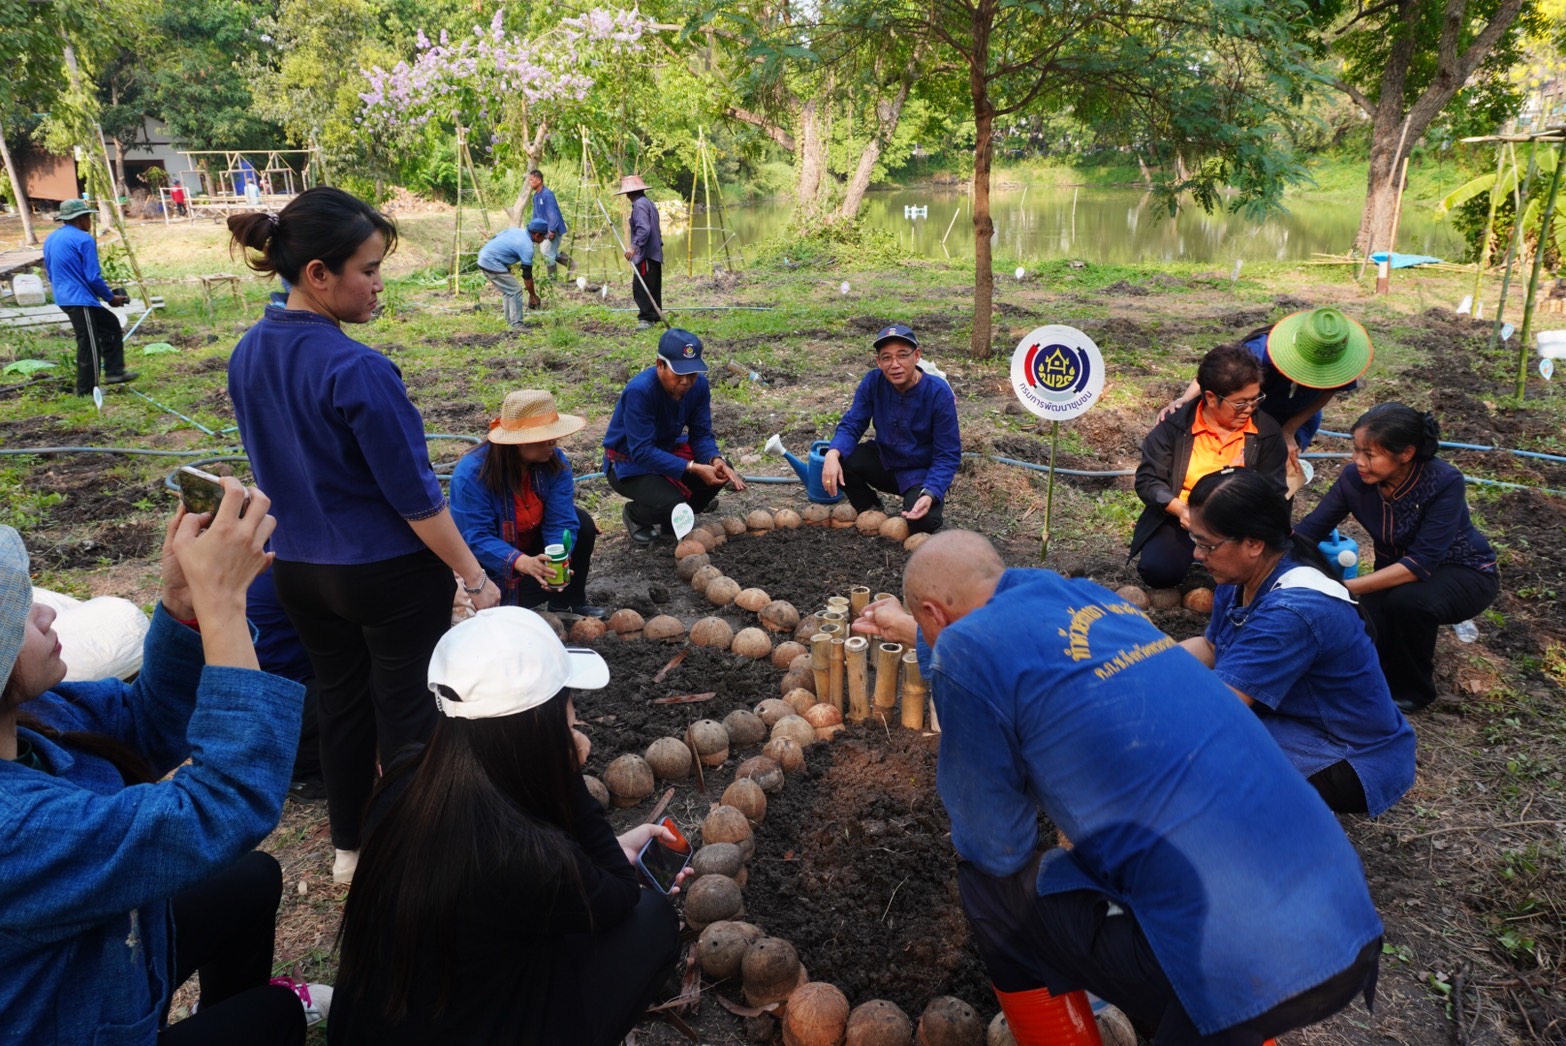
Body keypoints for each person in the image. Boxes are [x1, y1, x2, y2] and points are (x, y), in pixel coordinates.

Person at [852, 532, 1383, 1045]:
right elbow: (997, 638)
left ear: (933, 614)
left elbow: (995, 844)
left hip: (1244, 969)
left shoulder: (966, 649)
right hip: (1344, 928)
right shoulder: (1085, 599)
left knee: (992, 888)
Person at [226, 187, 501, 886]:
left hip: (299, 570)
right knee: (408, 711)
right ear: (319, 273)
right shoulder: (358, 369)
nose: (380, 285)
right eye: (369, 270)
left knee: (342, 704)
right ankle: (416, 853)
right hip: (387, 574)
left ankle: (350, 847)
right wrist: (475, 578)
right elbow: (417, 500)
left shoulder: (248, 352)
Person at [0, 484, 329, 1043]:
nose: (48, 611)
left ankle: (220, 1010)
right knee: (275, 1016)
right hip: (69, 1027)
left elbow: (144, 729)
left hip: (96, 971)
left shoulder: (31, 718)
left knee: (249, 881)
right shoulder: (15, 832)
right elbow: (220, 808)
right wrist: (223, 605)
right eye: (15, 618)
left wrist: (185, 603)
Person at [330, 606, 687, 1045]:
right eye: (567, 704)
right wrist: (566, 773)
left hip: (372, 1025)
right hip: (472, 1028)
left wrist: (609, 845)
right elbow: (620, 893)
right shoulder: (523, 854)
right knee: (651, 921)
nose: (575, 717)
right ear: (538, 721)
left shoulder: (407, 781)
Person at [1176, 468, 1415, 816]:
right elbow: (1212, 647)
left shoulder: (1291, 612)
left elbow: (1219, 708)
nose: (1197, 554)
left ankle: (1274, 834)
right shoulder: (1242, 576)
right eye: (1195, 541)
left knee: (1196, 763)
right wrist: (1146, 665)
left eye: (1207, 544)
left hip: (1349, 753)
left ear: (1253, 543)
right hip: (1292, 720)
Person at [1295, 404, 1499, 712]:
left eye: (1369, 454)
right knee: (1358, 626)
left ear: (1405, 453)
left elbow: (1421, 563)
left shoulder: (1443, 481)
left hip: (1463, 572)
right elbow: (1309, 532)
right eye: (1356, 450)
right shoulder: (1354, 480)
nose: (1358, 461)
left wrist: (1344, 588)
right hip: (1394, 575)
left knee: (1408, 603)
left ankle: (1413, 691)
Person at [1131, 344, 1287, 588]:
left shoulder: (1265, 431)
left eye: (1255, 399)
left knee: (1253, 576)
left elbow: (1274, 489)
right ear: (1211, 398)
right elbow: (1148, 481)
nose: (1249, 409)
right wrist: (1181, 510)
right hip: (1183, 519)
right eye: (1240, 403)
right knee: (1159, 570)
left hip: (1239, 525)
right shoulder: (1175, 427)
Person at [451, 389, 604, 618]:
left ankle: (566, 603)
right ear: (519, 442)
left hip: (531, 550)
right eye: (544, 436)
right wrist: (522, 563)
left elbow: (560, 518)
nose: (553, 442)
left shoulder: (555, 462)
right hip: (489, 571)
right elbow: (476, 537)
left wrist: (555, 560)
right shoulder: (471, 475)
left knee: (581, 523)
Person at [1160, 308, 1373, 464]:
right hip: (1254, 411)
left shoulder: (1342, 359)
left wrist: (1289, 431)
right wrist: (1185, 399)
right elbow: (1217, 374)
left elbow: (1328, 393)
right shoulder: (1260, 351)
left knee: (1280, 466)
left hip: (1300, 415)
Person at [602, 328, 747, 546]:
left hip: (666, 450)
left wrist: (714, 460)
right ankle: (635, 515)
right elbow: (641, 451)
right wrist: (693, 467)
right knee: (671, 503)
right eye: (679, 373)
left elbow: (701, 434)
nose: (686, 381)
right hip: (629, 462)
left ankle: (674, 519)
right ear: (660, 365)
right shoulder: (640, 391)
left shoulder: (699, 386)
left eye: (692, 373)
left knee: (719, 471)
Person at [820, 323, 962, 534]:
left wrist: (931, 492)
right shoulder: (873, 382)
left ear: (917, 355)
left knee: (924, 523)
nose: (895, 364)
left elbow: (948, 454)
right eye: (886, 358)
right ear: (878, 361)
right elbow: (853, 423)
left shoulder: (938, 393)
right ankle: (870, 509)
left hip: (919, 474)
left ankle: (919, 502)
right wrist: (832, 453)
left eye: (902, 355)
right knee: (840, 458)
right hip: (885, 462)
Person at [42, 198, 138, 396]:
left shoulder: (51, 238)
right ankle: (87, 390)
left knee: (110, 324)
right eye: (87, 217)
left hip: (65, 295)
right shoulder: (84, 239)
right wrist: (110, 297)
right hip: (78, 298)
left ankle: (114, 372)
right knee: (89, 343)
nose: (90, 221)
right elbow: (92, 277)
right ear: (80, 218)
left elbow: (50, 269)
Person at [246, 568, 325, 799]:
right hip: (275, 703)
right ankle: (304, 773)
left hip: (244, 695)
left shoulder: (256, 562)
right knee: (353, 693)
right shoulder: (287, 571)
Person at [476, 219, 550, 330]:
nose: (544, 239)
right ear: (537, 235)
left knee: (508, 291)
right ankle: (517, 325)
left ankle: (510, 321)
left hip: (484, 256)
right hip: (491, 262)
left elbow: (495, 238)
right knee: (515, 290)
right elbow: (527, 276)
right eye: (544, 237)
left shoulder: (515, 231)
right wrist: (533, 296)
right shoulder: (527, 247)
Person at [617, 174, 663, 329]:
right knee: (652, 284)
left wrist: (634, 247)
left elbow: (644, 229)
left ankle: (647, 318)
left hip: (646, 254)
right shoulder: (648, 203)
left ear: (630, 193)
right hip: (653, 253)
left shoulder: (639, 205)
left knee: (641, 287)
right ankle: (655, 315)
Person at [527, 169, 571, 277]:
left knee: (546, 251)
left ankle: (553, 279)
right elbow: (535, 215)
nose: (529, 182)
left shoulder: (547, 194)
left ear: (539, 180)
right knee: (548, 252)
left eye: (531, 180)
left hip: (553, 229)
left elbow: (553, 214)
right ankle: (571, 264)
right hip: (544, 231)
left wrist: (551, 230)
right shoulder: (536, 196)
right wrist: (531, 229)